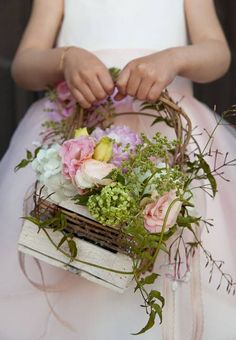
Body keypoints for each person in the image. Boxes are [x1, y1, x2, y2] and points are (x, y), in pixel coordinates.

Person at [0, 0, 235, 339]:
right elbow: (25, 63)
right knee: (71, 246)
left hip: (168, 132)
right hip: (78, 128)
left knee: (167, 253)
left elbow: (217, 52)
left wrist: (173, 58)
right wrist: (66, 58)